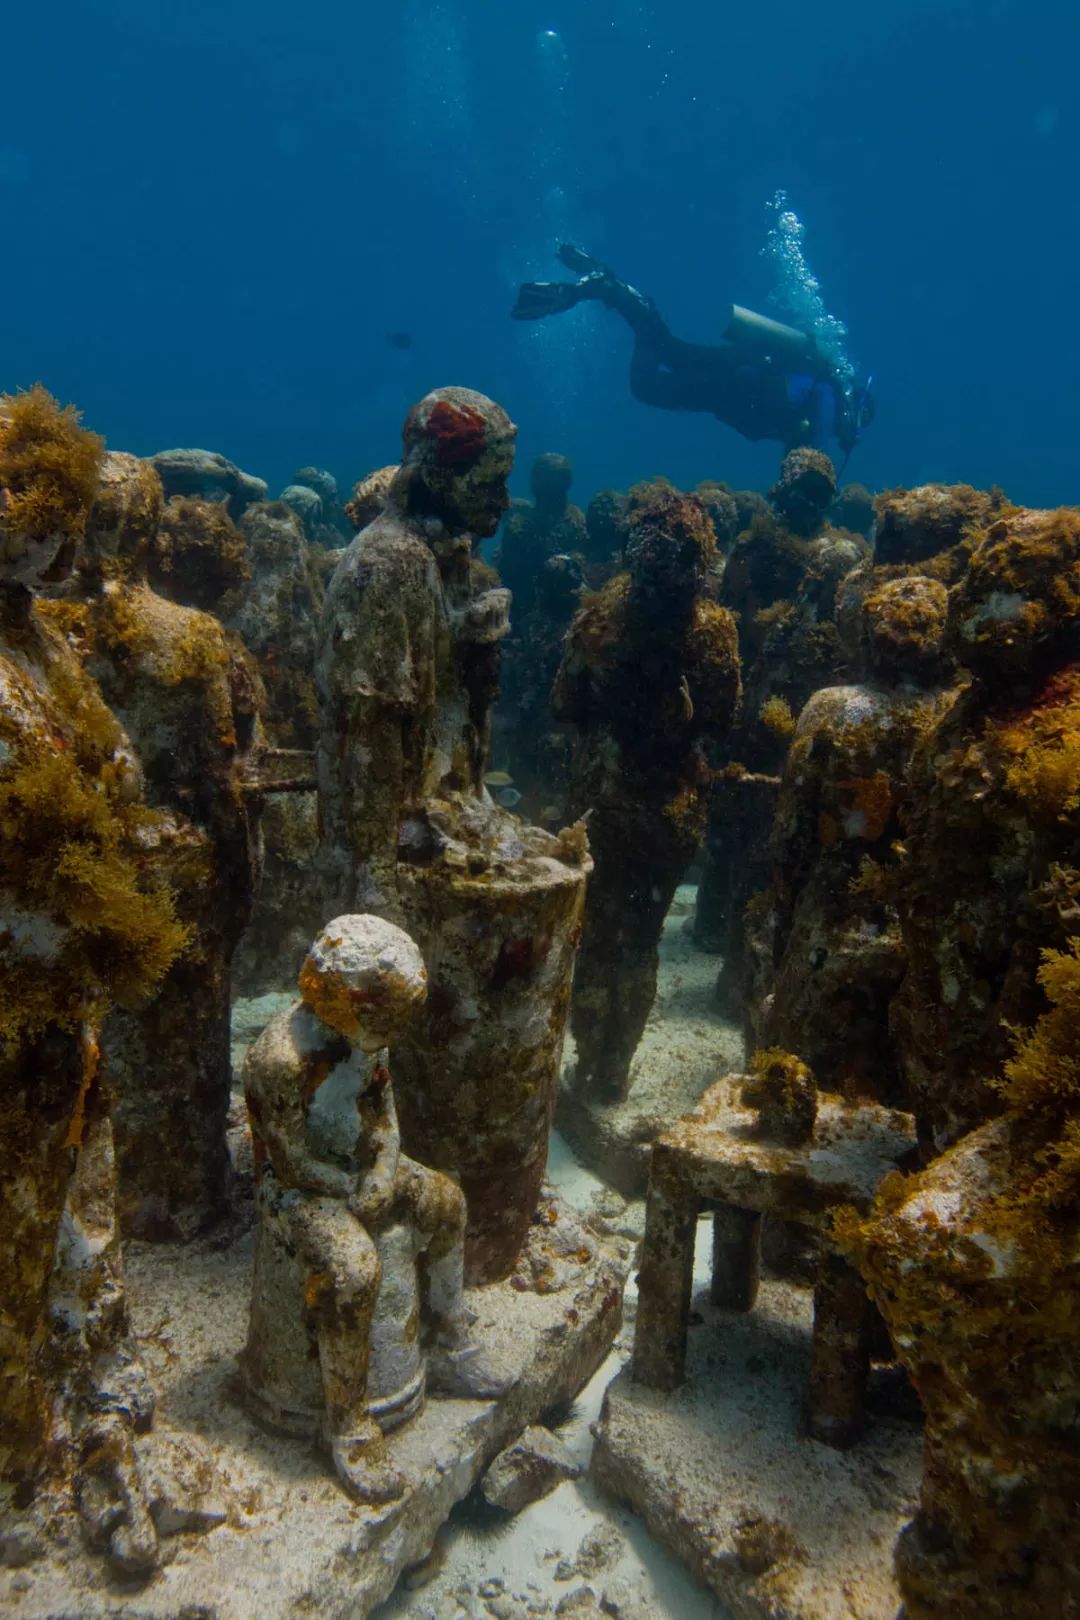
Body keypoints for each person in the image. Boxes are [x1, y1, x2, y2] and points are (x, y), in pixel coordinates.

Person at [513, 244, 874, 460]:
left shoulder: (824, 392)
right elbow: (803, 460)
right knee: (648, 383)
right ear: (856, 409)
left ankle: (609, 286)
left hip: (733, 382)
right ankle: (610, 288)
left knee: (665, 355)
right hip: (734, 383)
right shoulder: (832, 400)